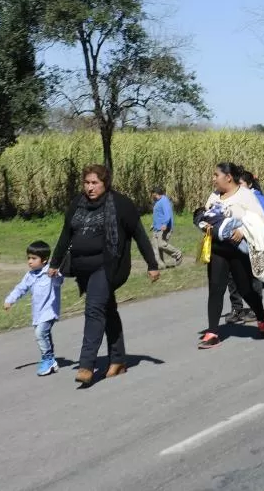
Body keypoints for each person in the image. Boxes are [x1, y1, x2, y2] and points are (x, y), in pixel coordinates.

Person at [49, 164, 161, 387]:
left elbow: (139, 234)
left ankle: (86, 365)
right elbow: (66, 234)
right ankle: (118, 360)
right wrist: (54, 262)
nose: (90, 188)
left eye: (95, 183)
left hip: (109, 267)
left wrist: (152, 264)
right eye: (87, 183)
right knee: (107, 309)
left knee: (94, 309)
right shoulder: (77, 204)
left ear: (105, 183)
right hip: (83, 268)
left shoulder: (120, 204)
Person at [196, 162, 264, 349]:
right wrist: (203, 222)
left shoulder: (245, 195)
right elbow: (207, 216)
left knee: (245, 290)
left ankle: (262, 317)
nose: (213, 178)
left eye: (216, 175)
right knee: (216, 289)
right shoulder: (214, 196)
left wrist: (243, 231)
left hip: (238, 250)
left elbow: (261, 219)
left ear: (228, 177)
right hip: (218, 249)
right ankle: (212, 333)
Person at [3, 241, 64, 376]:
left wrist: (55, 274)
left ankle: (48, 359)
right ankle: (51, 360)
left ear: (45, 260)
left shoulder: (51, 273)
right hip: (37, 313)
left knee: (40, 334)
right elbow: (21, 288)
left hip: (49, 312)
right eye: (28, 258)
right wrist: (10, 300)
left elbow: (59, 281)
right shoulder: (30, 275)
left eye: (33, 258)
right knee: (43, 335)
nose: (30, 261)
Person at [225, 171, 264, 324]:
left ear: (249, 184)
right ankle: (237, 308)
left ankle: (256, 309)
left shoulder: (256, 198)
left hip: (252, 242)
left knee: (253, 276)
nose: (239, 187)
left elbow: (262, 220)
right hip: (234, 243)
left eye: (241, 183)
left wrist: (244, 231)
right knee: (232, 277)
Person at [151, 186, 183, 269]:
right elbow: (158, 214)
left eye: (153, 194)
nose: (152, 196)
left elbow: (167, 215)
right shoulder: (157, 201)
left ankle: (178, 254)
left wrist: (165, 224)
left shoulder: (164, 201)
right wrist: (153, 224)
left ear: (156, 193)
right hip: (156, 228)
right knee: (155, 247)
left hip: (164, 228)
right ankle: (160, 265)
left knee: (161, 244)